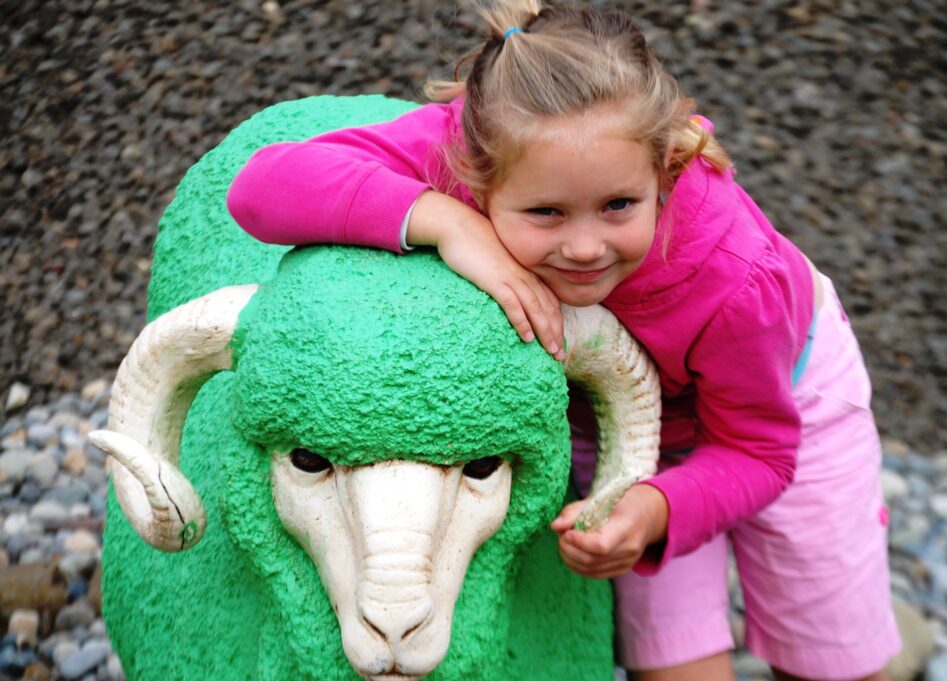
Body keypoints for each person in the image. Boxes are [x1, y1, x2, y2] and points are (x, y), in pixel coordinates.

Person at [226, 2, 901, 679]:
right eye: (545, 212)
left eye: (618, 206)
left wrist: (657, 505)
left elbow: (758, 450)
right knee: (670, 656)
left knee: (831, 649)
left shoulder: (733, 280)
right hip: (616, 417)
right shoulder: (477, 142)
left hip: (784, 399)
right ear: (477, 173)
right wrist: (446, 224)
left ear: (665, 168)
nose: (584, 247)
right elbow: (260, 187)